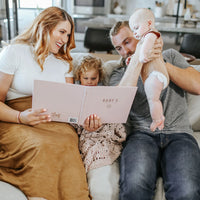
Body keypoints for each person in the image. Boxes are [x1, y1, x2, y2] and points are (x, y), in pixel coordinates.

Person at [0, 7, 92, 200]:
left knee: (67, 141)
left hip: (55, 121)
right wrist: (21, 117)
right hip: (14, 119)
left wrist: (88, 120)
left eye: (68, 34)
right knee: (42, 144)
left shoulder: (64, 63)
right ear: (45, 27)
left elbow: (72, 104)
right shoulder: (14, 52)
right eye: (62, 32)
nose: (65, 40)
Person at [109, 20, 200, 200]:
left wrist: (158, 62)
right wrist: (137, 61)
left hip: (180, 134)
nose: (124, 51)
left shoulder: (171, 56)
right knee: (134, 188)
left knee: (187, 191)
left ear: (140, 36)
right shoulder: (119, 73)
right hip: (141, 135)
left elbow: (197, 85)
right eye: (118, 48)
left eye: (127, 42)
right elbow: (117, 105)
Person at [69, 55, 126, 200]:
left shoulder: (104, 91)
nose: (89, 82)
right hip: (83, 130)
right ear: (79, 77)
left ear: (99, 77)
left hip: (102, 129)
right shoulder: (75, 92)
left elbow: (113, 114)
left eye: (93, 79)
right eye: (85, 78)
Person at [129, 8, 169, 131]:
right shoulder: (143, 39)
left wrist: (143, 55)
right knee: (152, 99)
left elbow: (146, 46)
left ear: (149, 24)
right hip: (153, 76)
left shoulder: (151, 34)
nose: (134, 33)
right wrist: (132, 59)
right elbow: (140, 49)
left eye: (136, 28)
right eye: (133, 30)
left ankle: (157, 119)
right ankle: (159, 120)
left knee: (153, 98)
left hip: (157, 74)